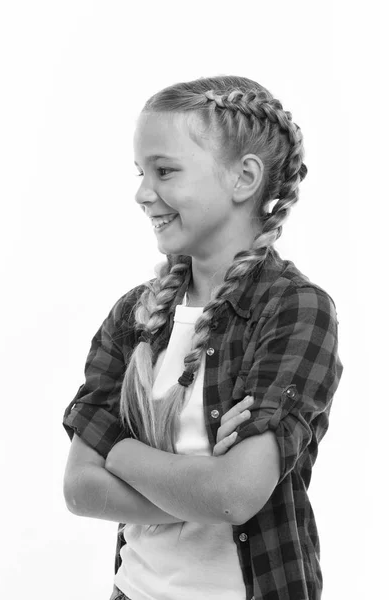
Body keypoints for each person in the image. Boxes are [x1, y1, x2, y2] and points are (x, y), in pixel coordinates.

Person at [62, 75, 344, 600]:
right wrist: (201, 481)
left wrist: (114, 447)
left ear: (244, 178)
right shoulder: (134, 314)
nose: (143, 194)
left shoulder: (295, 310)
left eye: (165, 171)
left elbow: (236, 497)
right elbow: (80, 489)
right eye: (142, 173)